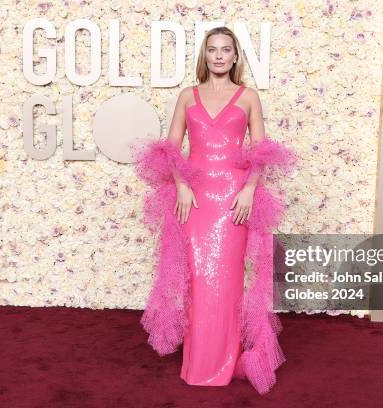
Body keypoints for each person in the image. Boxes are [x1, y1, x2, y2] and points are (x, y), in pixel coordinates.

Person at [131, 26, 297, 395]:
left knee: (227, 280)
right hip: (196, 199)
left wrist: (250, 191)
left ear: (236, 56)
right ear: (204, 56)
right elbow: (171, 147)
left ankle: (223, 362)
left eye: (226, 50)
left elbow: (260, 151)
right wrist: (183, 186)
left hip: (234, 199)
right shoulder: (188, 96)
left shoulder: (249, 96)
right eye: (212, 50)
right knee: (199, 279)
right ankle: (198, 363)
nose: (219, 56)